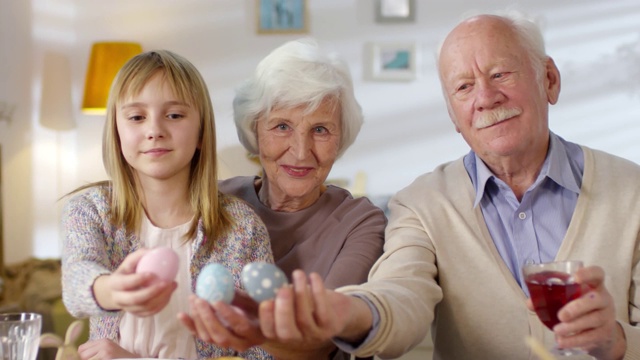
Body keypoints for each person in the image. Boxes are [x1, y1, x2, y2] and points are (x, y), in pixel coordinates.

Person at [189, 12, 640, 360]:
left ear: (549, 79)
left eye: (501, 73)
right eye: (464, 86)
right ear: (453, 116)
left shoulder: (634, 191)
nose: (485, 97)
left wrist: (616, 341)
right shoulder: (422, 203)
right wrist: (346, 312)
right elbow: (399, 292)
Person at [178, 38, 386, 360]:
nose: (301, 152)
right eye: (282, 126)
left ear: (341, 137)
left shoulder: (360, 222)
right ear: (254, 129)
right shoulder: (214, 201)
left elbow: (321, 339)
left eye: (320, 130)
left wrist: (248, 334)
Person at [61, 50, 274, 359]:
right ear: (117, 132)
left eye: (174, 115)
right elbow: (76, 280)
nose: (154, 130)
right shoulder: (90, 210)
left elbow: (262, 352)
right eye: (136, 117)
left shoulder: (242, 226)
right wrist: (110, 289)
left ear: (201, 132)